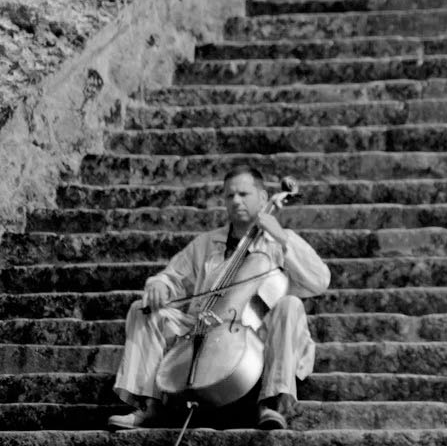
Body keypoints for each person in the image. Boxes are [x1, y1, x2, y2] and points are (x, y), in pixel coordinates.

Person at [107, 166, 330, 432]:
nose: (236, 201)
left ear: (262, 198)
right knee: (143, 310)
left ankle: (271, 402)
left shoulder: (282, 241)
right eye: (230, 195)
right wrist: (159, 285)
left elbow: (319, 281)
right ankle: (148, 404)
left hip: (255, 335)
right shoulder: (206, 243)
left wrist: (280, 237)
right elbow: (173, 276)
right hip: (201, 325)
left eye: (244, 194)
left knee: (290, 305)